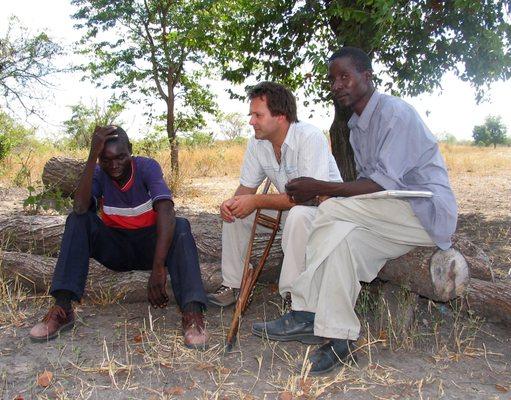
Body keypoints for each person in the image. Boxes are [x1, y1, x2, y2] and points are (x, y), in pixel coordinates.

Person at [252, 47, 458, 374]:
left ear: (367, 76)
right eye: (332, 79)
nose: (337, 85)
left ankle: (304, 307)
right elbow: (371, 185)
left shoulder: (395, 114)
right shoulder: (356, 125)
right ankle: (340, 339)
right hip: (389, 215)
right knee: (343, 245)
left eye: (345, 76)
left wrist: (321, 189)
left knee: (332, 211)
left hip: (423, 211)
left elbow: (380, 183)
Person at [29, 126, 209, 349]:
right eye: (106, 159)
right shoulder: (98, 173)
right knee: (78, 220)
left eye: (121, 157)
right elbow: (79, 207)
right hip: (116, 248)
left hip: (148, 248)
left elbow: (166, 210)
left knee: (180, 226)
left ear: (131, 151)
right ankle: (63, 307)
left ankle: (192, 313)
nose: (114, 165)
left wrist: (159, 267)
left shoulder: (146, 167)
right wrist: (91, 157)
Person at [207, 81, 342, 308]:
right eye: (251, 115)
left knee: (298, 215)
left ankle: (293, 297)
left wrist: (257, 200)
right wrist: (231, 203)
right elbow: (246, 189)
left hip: (325, 211)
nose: (251, 121)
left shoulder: (309, 137)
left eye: (258, 115)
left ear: (280, 116)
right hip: (291, 208)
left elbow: (310, 197)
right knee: (236, 211)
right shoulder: (257, 144)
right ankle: (234, 284)